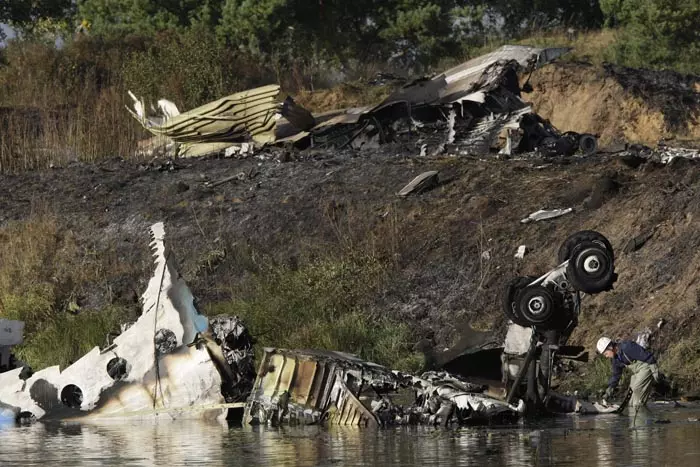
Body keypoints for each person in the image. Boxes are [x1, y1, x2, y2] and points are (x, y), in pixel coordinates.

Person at [597, 337, 660, 408]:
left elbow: (646, 355)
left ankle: (640, 409)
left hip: (646, 367)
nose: (606, 356)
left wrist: (654, 369)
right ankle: (636, 410)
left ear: (610, 347)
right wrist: (608, 391)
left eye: (606, 353)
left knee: (637, 388)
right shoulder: (615, 360)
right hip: (637, 372)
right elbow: (616, 375)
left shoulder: (627, 346)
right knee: (631, 402)